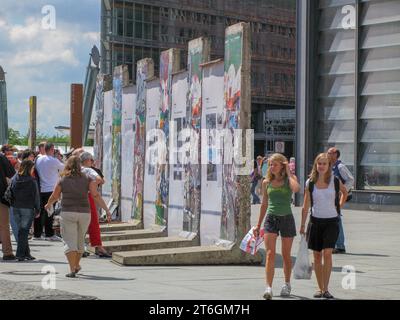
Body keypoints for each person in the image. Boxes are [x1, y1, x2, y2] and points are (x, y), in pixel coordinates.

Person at [45, 156, 106, 277]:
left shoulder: (63, 179)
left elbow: (55, 195)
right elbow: (95, 194)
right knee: (80, 240)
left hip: (68, 212)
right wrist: (107, 210)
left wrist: (48, 204)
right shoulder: (87, 178)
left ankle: (72, 269)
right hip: (85, 213)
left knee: (69, 241)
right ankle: (76, 265)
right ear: (80, 165)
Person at [300, 153, 348, 299]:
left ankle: (326, 289)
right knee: (317, 255)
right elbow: (305, 204)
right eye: (319, 163)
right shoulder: (310, 182)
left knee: (327, 253)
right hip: (315, 222)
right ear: (316, 165)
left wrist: (338, 208)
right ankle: (320, 288)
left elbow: (344, 193)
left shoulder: (335, 181)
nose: (321, 166)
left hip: (331, 222)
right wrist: (302, 224)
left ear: (329, 166)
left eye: (324, 164)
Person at [254, 153, 300, 300]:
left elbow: (297, 189)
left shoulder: (290, 180)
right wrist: (258, 224)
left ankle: (287, 283)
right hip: (271, 219)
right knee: (270, 254)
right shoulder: (266, 182)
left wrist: (288, 173)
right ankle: (268, 287)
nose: (271, 167)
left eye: (275, 164)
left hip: (287, 218)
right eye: (270, 164)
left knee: (286, 255)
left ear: (282, 165)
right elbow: (264, 204)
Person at [80, 152, 112, 258]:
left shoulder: (75, 170)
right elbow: (100, 180)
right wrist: (93, 184)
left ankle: (79, 247)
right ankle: (98, 247)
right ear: (86, 161)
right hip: (87, 198)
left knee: (79, 225)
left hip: (74, 199)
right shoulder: (89, 170)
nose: (92, 162)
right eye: (91, 160)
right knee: (93, 222)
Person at [9, 160, 40, 261]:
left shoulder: (15, 178)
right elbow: (36, 197)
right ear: (30, 168)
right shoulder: (32, 180)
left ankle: (27, 254)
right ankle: (20, 254)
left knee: (22, 232)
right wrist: (38, 208)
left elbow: (10, 191)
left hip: (15, 207)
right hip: (27, 208)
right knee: (24, 231)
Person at [34, 143, 64, 240]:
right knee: (50, 212)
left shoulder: (38, 159)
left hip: (41, 188)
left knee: (40, 211)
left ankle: (37, 234)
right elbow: (64, 168)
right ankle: (49, 234)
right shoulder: (54, 160)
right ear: (51, 149)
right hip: (51, 189)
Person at [327, 147, 354, 254]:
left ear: (336, 155)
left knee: (336, 220)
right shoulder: (328, 165)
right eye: (328, 152)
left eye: (330, 153)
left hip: (336, 197)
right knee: (335, 220)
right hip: (329, 196)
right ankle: (337, 244)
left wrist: (342, 191)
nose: (328, 154)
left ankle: (340, 245)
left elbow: (350, 179)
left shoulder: (340, 166)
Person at [0, 151, 16, 260]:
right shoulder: (1, 157)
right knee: (4, 225)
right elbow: (11, 174)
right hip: (1, 195)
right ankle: (7, 252)